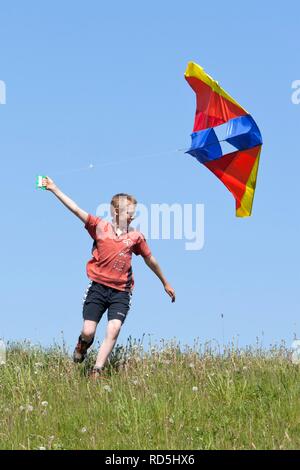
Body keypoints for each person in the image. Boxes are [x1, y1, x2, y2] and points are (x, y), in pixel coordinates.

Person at [42, 177, 176, 378]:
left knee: (114, 328)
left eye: (133, 214)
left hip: (121, 291)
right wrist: (54, 189)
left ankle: (97, 370)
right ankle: (82, 347)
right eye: (129, 213)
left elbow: (151, 260)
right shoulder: (99, 227)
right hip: (98, 287)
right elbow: (76, 209)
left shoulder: (136, 237)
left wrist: (165, 282)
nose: (132, 217)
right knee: (88, 331)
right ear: (116, 212)